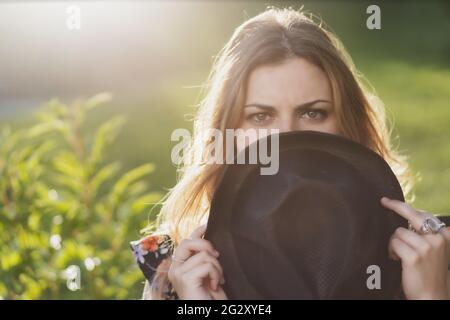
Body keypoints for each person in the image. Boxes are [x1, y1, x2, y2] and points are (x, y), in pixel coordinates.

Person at [131, 7, 450, 300]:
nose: (288, 136)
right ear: (228, 132)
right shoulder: (176, 271)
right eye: (260, 116)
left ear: (349, 126)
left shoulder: (429, 256)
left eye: (313, 113)